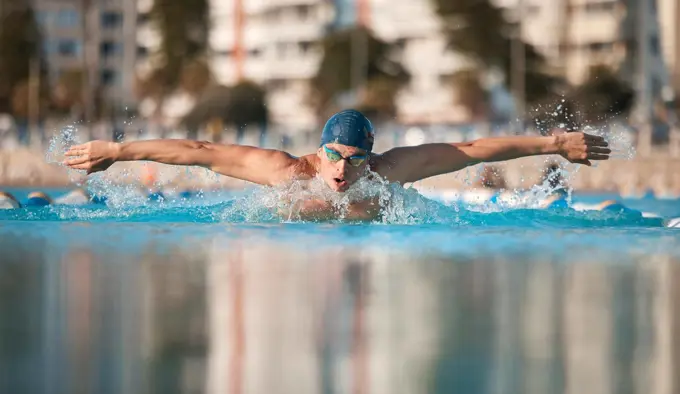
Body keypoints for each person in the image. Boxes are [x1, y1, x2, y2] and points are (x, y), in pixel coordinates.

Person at [64, 109, 611, 220]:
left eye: (355, 159)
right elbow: (201, 154)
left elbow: (468, 151)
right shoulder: (286, 171)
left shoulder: (386, 171)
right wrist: (116, 151)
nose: (343, 169)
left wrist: (553, 144)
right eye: (335, 156)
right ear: (317, 149)